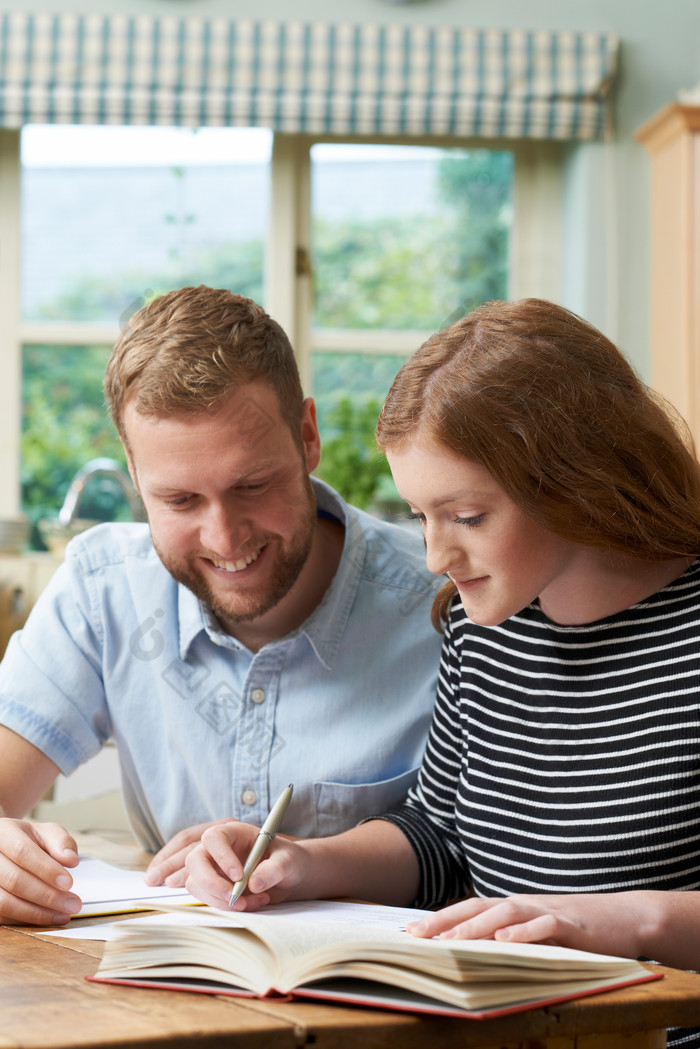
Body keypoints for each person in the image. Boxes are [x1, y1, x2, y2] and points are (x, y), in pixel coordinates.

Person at [183, 298, 700, 1049]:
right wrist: (304, 862)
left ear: (573, 479)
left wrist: (621, 920)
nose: (435, 557)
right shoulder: (481, 626)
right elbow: (438, 834)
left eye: (466, 516)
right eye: (422, 516)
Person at [0, 285, 443, 927]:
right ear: (134, 472)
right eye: (179, 501)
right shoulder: (103, 589)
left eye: (252, 486)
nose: (225, 538)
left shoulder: (444, 608)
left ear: (308, 438)